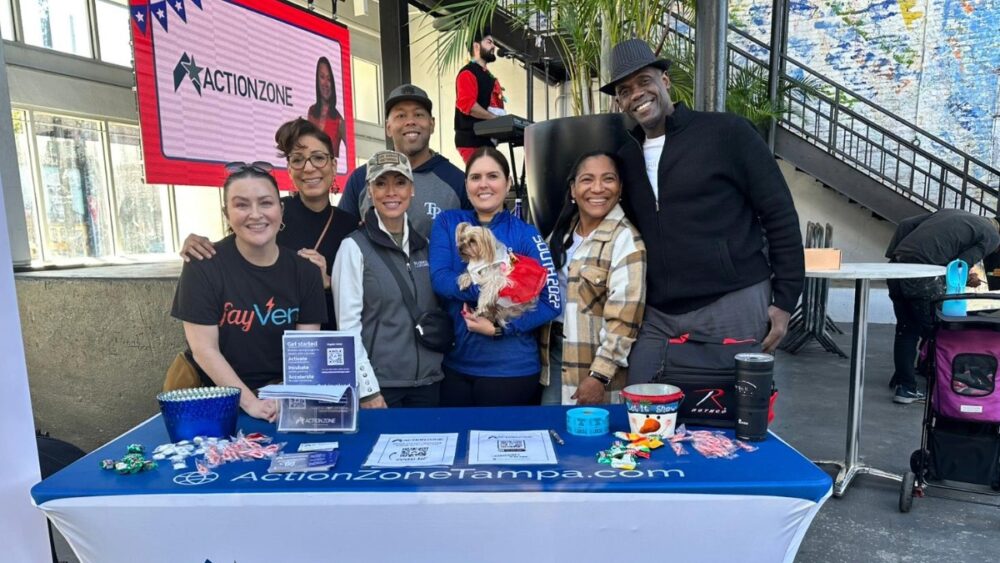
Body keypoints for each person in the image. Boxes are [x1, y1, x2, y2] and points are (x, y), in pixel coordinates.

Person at [599, 39, 804, 383]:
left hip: (732, 302)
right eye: (625, 89)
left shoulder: (726, 133)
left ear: (664, 81)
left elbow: (779, 214)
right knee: (641, 416)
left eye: (644, 81)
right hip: (658, 314)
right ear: (620, 101)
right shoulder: (626, 158)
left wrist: (784, 300)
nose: (637, 94)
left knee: (730, 427)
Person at [171, 162, 330, 421]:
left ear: (281, 209)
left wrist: (285, 398)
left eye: (266, 203)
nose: (255, 214)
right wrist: (251, 403)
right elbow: (204, 350)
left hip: (281, 400)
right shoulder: (203, 266)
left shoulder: (306, 271)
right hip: (216, 401)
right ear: (227, 213)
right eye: (241, 205)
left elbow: (305, 350)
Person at [181, 119, 359, 334]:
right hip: (264, 336)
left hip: (332, 339)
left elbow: (370, 295)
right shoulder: (268, 214)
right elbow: (234, 256)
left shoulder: (351, 226)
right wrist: (197, 245)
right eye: (298, 160)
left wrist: (329, 282)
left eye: (319, 158)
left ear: (333, 164)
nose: (309, 167)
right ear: (290, 169)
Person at [429, 147, 561, 406]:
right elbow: (440, 279)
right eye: (475, 177)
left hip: (511, 370)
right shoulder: (449, 223)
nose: (484, 184)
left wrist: (501, 328)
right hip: (456, 366)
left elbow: (551, 301)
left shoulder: (526, 234)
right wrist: (492, 286)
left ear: (508, 182)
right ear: (466, 184)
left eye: (493, 176)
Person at [332, 151, 445, 407]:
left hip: (430, 384)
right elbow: (348, 329)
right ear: (370, 191)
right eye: (381, 184)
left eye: (400, 182)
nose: (391, 192)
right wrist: (368, 390)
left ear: (412, 189)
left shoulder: (425, 245)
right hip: (383, 390)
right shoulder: (352, 247)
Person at [540, 151, 646, 405]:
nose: (597, 188)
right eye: (587, 180)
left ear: (620, 188)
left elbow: (624, 321)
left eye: (608, 179)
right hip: (553, 356)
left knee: (586, 440)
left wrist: (599, 376)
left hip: (592, 367)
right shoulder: (562, 233)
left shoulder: (626, 242)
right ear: (573, 189)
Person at [885, 209, 1000, 404]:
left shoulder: (952, 213)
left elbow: (906, 222)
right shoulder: (993, 236)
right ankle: (952, 386)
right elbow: (960, 265)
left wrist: (895, 258)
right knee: (938, 331)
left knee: (906, 329)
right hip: (922, 275)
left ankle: (904, 384)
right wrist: (967, 279)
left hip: (896, 268)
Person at [340, 84, 469, 238]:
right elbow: (342, 237)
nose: (410, 121)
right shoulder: (362, 178)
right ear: (388, 127)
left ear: (432, 124)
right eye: (401, 116)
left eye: (419, 114)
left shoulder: (458, 182)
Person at [454, 29, 505, 163]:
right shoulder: (467, 73)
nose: (494, 46)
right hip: (472, 139)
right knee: (483, 177)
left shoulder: (487, 75)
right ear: (476, 46)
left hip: (486, 138)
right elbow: (468, 106)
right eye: (489, 42)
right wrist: (495, 119)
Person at [307, 56, 347, 164]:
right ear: (317, 79)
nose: (326, 83)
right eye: (322, 77)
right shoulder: (311, 112)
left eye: (329, 79)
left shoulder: (339, 120)